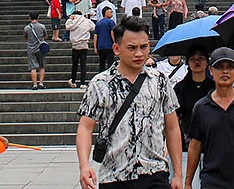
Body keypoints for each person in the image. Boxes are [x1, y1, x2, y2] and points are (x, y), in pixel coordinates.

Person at [76, 15, 184, 189]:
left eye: (144, 47)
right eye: (132, 48)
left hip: (155, 174)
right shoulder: (100, 83)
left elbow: (172, 128)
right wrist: (84, 165)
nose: (139, 54)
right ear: (116, 49)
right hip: (115, 175)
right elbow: (85, 128)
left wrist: (178, 174)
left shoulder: (160, 81)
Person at [185, 47, 234, 189]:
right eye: (219, 67)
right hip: (211, 180)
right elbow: (195, 145)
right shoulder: (201, 107)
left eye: (230, 67)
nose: (225, 71)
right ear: (211, 70)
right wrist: (188, 182)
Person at [175, 46, 215, 184]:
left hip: (212, 144)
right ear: (188, 62)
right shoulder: (180, 88)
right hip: (187, 144)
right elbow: (174, 118)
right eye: (193, 59)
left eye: (201, 58)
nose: (197, 62)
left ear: (207, 62)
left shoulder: (214, 87)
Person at [67, 10, 95, 88]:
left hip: (75, 45)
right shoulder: (87, 21)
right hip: (84, 44)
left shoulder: (72, 21)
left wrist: (70, 19)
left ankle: (73, 81)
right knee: (83, 64)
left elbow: (67, 26)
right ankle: (83, 83)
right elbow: (93, 27)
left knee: (74, 65)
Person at [24, 12, 48, 90]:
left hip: (31, 49)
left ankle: (34, 84)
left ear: (29, 18)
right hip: (41, 48)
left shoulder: (27, 28)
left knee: (33, 67)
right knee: (42, 66)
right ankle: (41, 83)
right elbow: (46, 36)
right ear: (38, 17)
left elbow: (25, 39)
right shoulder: (42, 26)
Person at [96, 6, 117, 72]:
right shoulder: (111, 22)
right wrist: (115, 42)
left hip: (100, 46)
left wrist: (95, 47)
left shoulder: (98, 23)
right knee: (110, 63)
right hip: (109, 45)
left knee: (102, 64)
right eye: (110, 12)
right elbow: (112, 33)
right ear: (106, 13)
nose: (112, 14)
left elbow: (95, 35)